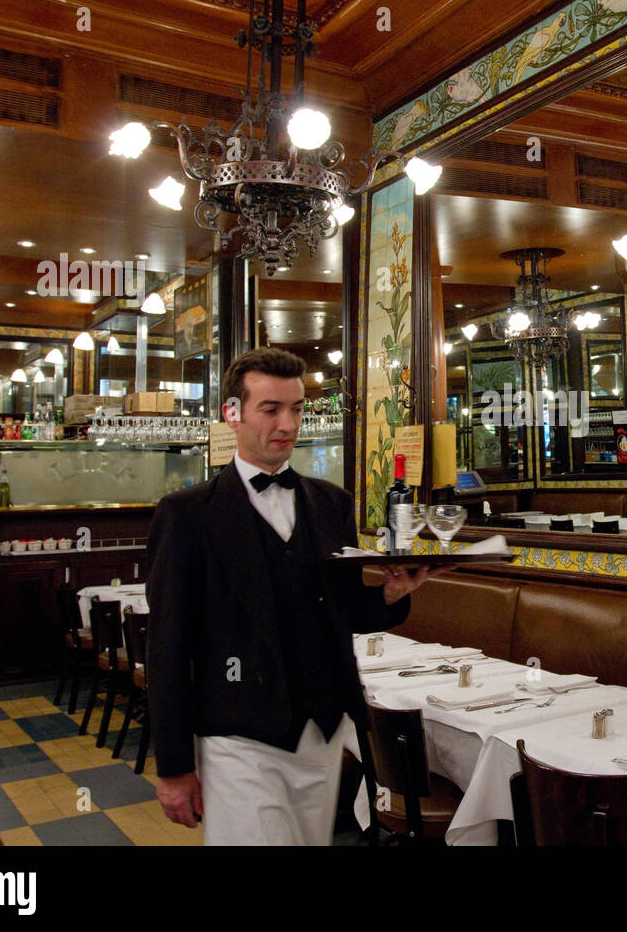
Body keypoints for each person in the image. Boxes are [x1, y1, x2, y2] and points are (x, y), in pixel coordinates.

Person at [146, 347, 437, 844]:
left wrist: (389, 594)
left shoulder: (331, 503)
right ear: (232, 414)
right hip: (238, 736)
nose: (287, 423)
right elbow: (167, 646)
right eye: (270, 409)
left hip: (321, 729)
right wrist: (173, 766)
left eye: (297, 408)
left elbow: (340, 609)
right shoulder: (187, 514)